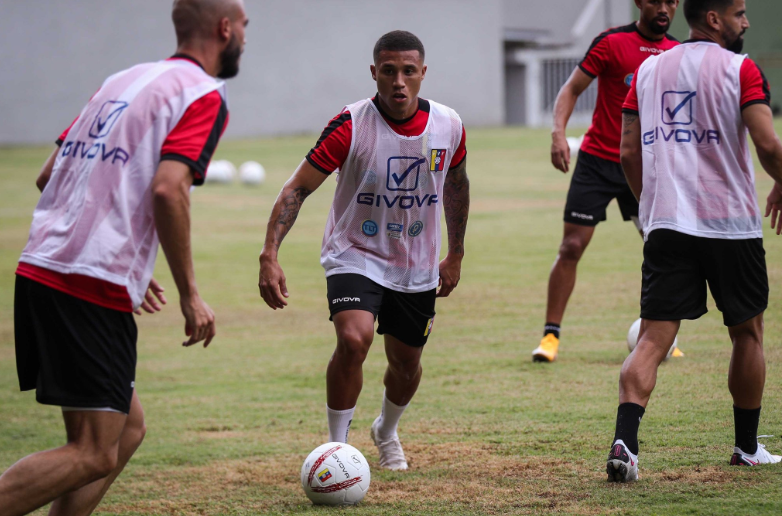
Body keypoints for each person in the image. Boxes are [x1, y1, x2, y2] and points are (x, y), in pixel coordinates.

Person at [0, 1, 248, 513]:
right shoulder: (202, 93)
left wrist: (126, 257)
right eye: (245, 26)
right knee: (93, 452)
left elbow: (50, 174)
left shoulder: (121, 80)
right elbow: (167, 191)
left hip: (44, 265)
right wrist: (190, 296)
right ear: (225, 29)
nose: (246, 35)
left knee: (126, 430)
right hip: (86, 282)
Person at [258, 30, 469, 471]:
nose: (398, 82)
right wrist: (269, 253)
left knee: (407, 363)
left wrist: (456, 253)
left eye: (408, 72)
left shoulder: (448, 126)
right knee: (355, 340)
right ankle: (337, 451)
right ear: (374, 73)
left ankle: (386, 430)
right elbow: (298, 187)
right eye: (388, 71)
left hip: (416, 263)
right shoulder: (351, 125)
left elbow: (455, 186)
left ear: (422, 73)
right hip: (355, 252)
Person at [606, 0, 782, 482]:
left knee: (651, 340)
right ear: (714, 19)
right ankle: (746, 449)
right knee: (746, 333)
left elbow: (626, 151)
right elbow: (767, 144)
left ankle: (626, 443)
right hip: (730, 225)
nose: (745, 21)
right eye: (740, 12)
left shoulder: (647, 70)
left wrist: (652, 207)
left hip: (668, 224)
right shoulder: (740, 69)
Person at [532, 0, 682, 362]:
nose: (663, 8)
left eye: (671, 1)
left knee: (661, 249)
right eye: (655, 0)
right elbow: (570, 89)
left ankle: (663, 334)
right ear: (638, 2)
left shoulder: (677, 53)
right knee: (571, 247)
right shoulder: (611, 43)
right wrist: (558, 133)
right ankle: (550, 337)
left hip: (645, 165)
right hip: (598, 160)